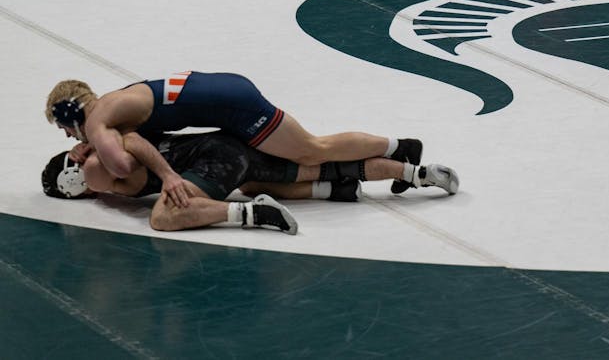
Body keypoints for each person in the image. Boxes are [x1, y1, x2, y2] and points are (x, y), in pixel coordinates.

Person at [45, 72, 432, 207]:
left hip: (231, 105)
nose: (66, 136)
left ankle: (400, 148)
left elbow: (123, 165)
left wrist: (94, 148)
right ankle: (397, 150)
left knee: (313, 149)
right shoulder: (110, 105)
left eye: (62, 128)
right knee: (307, 149)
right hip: (221, 90)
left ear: (69, 115)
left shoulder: (97, 124)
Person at [41, 131, 459, 235]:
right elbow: (130, 139)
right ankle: (413, 171)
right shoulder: (106, 137)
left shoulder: (98, 168)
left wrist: (167, 176)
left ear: (71, 178)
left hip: (215, 158)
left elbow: (131, 146)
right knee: (319, 160)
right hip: (226, 145)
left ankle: (253, 213)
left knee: (163, 217)